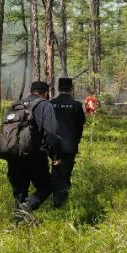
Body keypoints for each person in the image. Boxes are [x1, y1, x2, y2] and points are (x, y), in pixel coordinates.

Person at [7, 81, 62, 222]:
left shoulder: (16, 105)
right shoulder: (45, 105)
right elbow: (51, 133)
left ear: (30, 91)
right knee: (47, 187)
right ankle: (27, 206)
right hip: (35, 155)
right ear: (46, 93)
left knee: (20, 191)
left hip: (14, 154)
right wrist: (55, 155)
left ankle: (19, 223)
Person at [49, 77, 86, 208]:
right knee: (65, 173)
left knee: (56, 171)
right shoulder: (76, 105)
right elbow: (80, 125)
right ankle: (61, 203)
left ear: (59, 88)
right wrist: (76, 141)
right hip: (69, 147)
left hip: (54, 147)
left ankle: (56, 201)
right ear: (71, 88)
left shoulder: (51, 104)